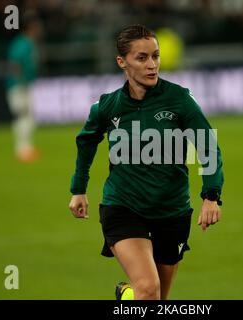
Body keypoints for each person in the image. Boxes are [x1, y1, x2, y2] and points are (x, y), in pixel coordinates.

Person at [68, 24, 224, 300]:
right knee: (149, 289)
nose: (152, 65)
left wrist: (211, 196)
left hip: (172, 210)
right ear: (122, 62)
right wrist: (78, 189)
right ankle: (136, 293)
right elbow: (86, 141)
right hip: (123, 207)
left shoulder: (179, 100)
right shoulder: (108, 106)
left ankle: (127, 295)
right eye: (142, 58)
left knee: (157, 298)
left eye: (156, 56)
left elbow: (206, 146)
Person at [6, 12, 42, 163]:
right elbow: (14, 64)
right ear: (31, 27)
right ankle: (23, 150)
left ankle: (24, 148)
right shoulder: (22, 43)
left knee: (26, 117)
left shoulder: (28, 43)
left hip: (23, 85)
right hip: (18, 86)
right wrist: (20, 81)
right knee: (24, 116)